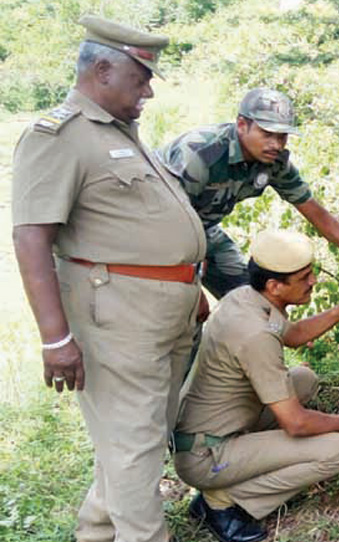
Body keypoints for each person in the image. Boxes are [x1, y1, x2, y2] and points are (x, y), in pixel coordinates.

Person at [12, 16, 206, 542]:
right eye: (140, 79)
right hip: (118, 319)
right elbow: (31, 237)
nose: (147, 91)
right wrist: (55, 338)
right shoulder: (59, 136)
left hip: (165, 316)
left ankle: (95, 533)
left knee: (135, 441)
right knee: (134, 447)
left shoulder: (123, 134)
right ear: (102, 70)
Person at [173, 230, 339, 542]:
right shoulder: (255, 335)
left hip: (211, 429)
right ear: (275, 285)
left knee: (302, 378)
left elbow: (296, 334)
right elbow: (296, 423)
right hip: (206, 454)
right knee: (334, 450)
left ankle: (231, 478)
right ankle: (222, 503)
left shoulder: (244, 297)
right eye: (304, 277)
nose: (313, 281)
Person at [158, 88, 339, 300]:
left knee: (252, 301)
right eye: (267, 133)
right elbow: (167, 221)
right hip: (154, 230)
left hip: (203, 229)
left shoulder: (272, 161)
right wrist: (193, 286)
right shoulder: (199, 153)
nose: (276, 144)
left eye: (282, 136)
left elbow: (315, 212)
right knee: (181, 310)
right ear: (242, 125)